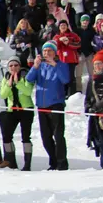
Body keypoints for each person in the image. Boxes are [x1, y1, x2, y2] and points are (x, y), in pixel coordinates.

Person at [26, 40, 70, 170]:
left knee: (58, 135)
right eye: (45, 51)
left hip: (56, 104)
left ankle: (62, 163)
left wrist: (55, 65)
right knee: (45, 137)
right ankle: (53, 161)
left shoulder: (61, 65)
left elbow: (65, 80)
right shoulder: (40, 66)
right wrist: (35, 66)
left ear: (54, 52)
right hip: (42, 105)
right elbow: (29, 79)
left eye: (49, 51)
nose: (46, 53)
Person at [0, 55, 36, 170]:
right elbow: (3, 95)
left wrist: (18, 83)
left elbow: (28, 92)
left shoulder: (25, 76)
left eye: (16, 65)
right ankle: (11, 162)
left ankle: (27, 164)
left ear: (19, 66)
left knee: (25, 136)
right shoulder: (6, 78)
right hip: (12, 110)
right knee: (6, 136)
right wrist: (9, 85)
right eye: (11, 66)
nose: (13, 68)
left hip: (26, 110)